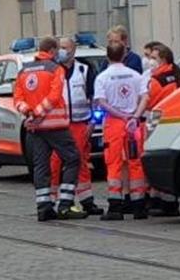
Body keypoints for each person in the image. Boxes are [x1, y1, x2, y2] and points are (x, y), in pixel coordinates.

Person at [14, 36, 88, 221]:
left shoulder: (24, 70)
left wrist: (29, 113)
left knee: (41, 166)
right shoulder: (56, 69)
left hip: (35, 129)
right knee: (72, 159)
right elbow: (55, 96)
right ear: (53, 51)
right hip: (55, 126)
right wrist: (39, 112)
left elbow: (18, 99)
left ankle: (44, 207)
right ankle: (65, 204)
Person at [94, 42, 150, 220]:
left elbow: (101, 102)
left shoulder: (103, 78)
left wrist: (120, 115)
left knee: (114, 163)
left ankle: (115, 207)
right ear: (125, 55)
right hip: (133, 126)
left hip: (114, 125)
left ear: (107, 56)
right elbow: (145, 97)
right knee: (135, 163)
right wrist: (134, 116)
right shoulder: (135, 75)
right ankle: (139, 207)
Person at [49, 36, 104, 215]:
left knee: (80, 161)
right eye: (59, 47)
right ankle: (54, 200)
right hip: (59, 125)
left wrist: (93, 122)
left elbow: (93, 99)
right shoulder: (52, 71)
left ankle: (86, 201)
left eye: (65, 47)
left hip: (80, 124)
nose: (61, 51)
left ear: (73, 50)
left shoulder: (84, 70)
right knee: (55, 162)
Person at [143, 43, 180, 217]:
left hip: (156, 120)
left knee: (155, 159)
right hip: (174, 119)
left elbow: (149, 101)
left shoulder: (156, 80)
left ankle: (159, 201)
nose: (150, 61)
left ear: (163, 60)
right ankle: (169, 201)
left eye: (154, 58)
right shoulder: (176, 75)